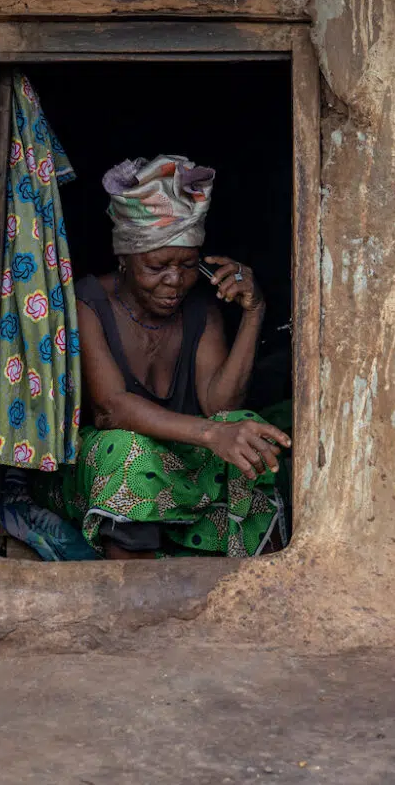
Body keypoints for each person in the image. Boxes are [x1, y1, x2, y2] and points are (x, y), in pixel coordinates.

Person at [58, 154, 291, 558]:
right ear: (124, 258)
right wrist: (211, 434)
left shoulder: (202, 310)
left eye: (186, 265)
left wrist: (254, 312)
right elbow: (111, 409)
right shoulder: (88, 303)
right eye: (157, 266)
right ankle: (136, 588)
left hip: (178, 466)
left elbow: (221, 408)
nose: (174, 280)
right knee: (125, 449)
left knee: (248, 431)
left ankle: (256, 580)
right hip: (100, 472)